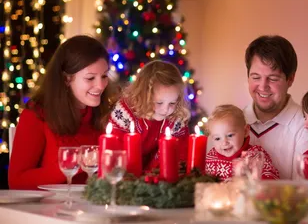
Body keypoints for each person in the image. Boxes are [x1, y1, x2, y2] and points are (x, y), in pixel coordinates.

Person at [9, 35, 114, 189]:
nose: (100, 85)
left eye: (104, 76)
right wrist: (74, 162)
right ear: (66, 79)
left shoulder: (108, 114)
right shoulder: (37, 115)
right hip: (49, 210)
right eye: (90, 78)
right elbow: (17, 181)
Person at [243, 35, 308, 179]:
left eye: (273, 79)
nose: (263, 87)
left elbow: (302, 191)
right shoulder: (235, 121)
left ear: (290, 79)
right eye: (256, 77)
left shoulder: (306, 126)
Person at [109, 60, 190, 171]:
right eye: (159, 103)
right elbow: (115, 150)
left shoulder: (176, 118)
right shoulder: (124, 112)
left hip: (159, 178)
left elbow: (181, 153)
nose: (166, 110)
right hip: (126, 175)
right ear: (143, 96)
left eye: (172, 103)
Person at [205, 104, 279, 181]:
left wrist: (254, 179)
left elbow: (271, 179)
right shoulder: (211, 156)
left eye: (230, 135)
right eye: (217, 138)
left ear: (245, 131)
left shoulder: (255, 155)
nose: (224, 143)